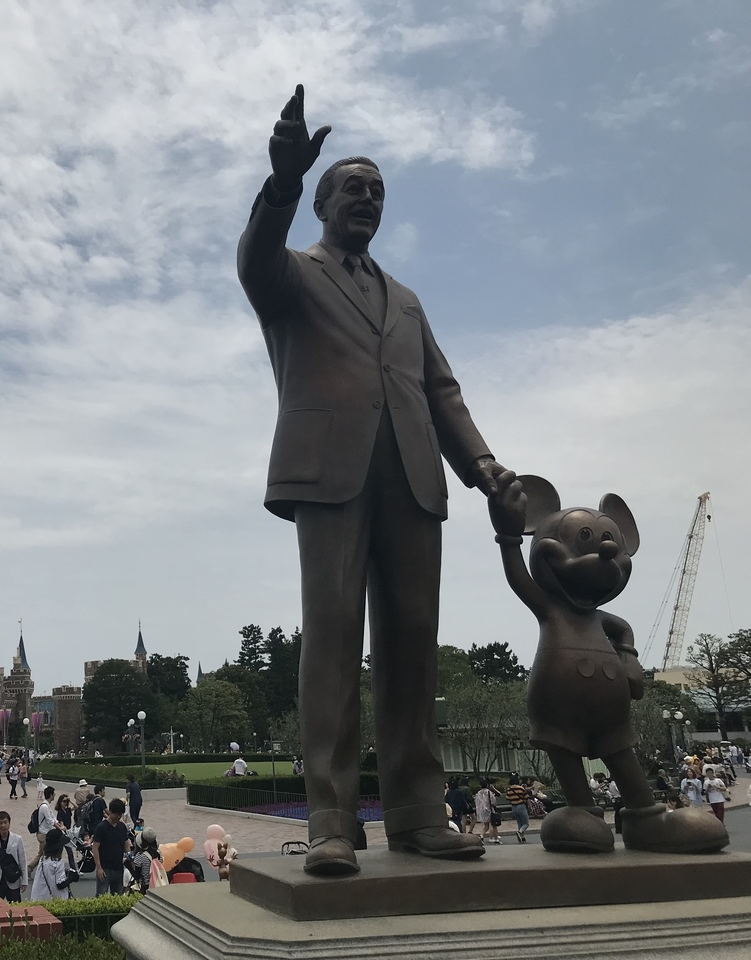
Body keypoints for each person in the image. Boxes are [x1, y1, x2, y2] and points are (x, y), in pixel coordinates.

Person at [236, 83, 502, 876]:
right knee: (332, 637)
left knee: (414, 643)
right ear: (321, 201)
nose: (369, 199)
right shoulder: (290, 274)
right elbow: (252, 258)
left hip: (416, 479)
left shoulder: (409, 301)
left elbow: (442, 390)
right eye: (354, 186)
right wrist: (280, 182)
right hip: (331, 476)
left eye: (379, 191)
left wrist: (485, 468)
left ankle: (421, 813)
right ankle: (331, 820)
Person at [91, 798, 133, 896]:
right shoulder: (101, 827)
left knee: (118, 896)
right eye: (116, 814)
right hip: (105, 868)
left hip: (118, 867)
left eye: (120, 814)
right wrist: (99, 868)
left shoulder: (122, 827)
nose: (118, 817)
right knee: (101, 896)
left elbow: (126, 845)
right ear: (110, 812)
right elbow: (95, 848)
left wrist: (131, 858)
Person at [0, 811, 28, 903]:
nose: (3, 825)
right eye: (0, 823)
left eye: (5, 822)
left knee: (16, 910)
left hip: (13, 881)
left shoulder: (17, 839)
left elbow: (22, 862)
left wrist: (24, 881)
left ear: (9, 824)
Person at [30, 827, 73, 901]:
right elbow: (60, 884)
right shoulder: (58, 862)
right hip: (52, 900)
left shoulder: (43, 859)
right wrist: (71, 878)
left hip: (39, 897)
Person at [29, 786, 58, 872]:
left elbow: (53, 818)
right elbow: (50, 820)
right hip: (43, 834)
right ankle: (44, 872)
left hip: (45, 833)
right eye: (54, 793)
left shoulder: (47, 805)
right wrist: (58, 826)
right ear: (51, 795)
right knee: (46, 854)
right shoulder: (44, 806)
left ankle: (29, 868)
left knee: (41, 854)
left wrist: (58, 823)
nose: (55, 795)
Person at [505, 775, 530, 843]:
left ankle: (522, 838)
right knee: (526, 823)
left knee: (519, 822)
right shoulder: (521, 788)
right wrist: (530, 806)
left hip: (514, 807)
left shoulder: (509, 790)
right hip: (521, 806)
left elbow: (507, 798)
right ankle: (520, 832)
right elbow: (526, 797)